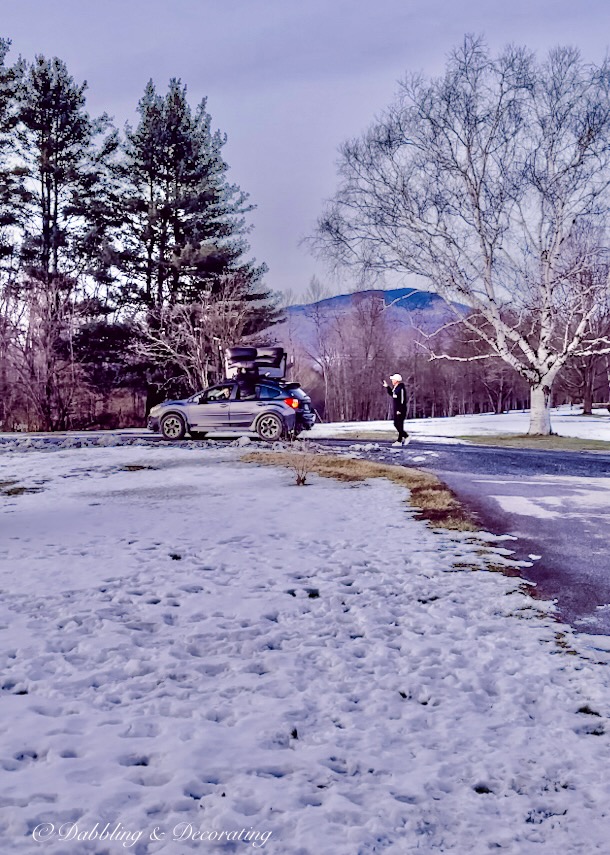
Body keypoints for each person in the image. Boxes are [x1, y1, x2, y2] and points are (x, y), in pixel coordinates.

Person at [383, 373, 410, 446]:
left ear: (397, 380)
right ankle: (400, 440)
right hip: (396, 409)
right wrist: (387, 387)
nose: (392, 380)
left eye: (393, 379)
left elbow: (402, 400)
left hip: (400, 410)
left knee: (399, 425)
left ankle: (405, 437)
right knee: (396, 424)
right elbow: (392, 394)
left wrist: (400, 410)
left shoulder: (401, 388)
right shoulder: (396, 388)